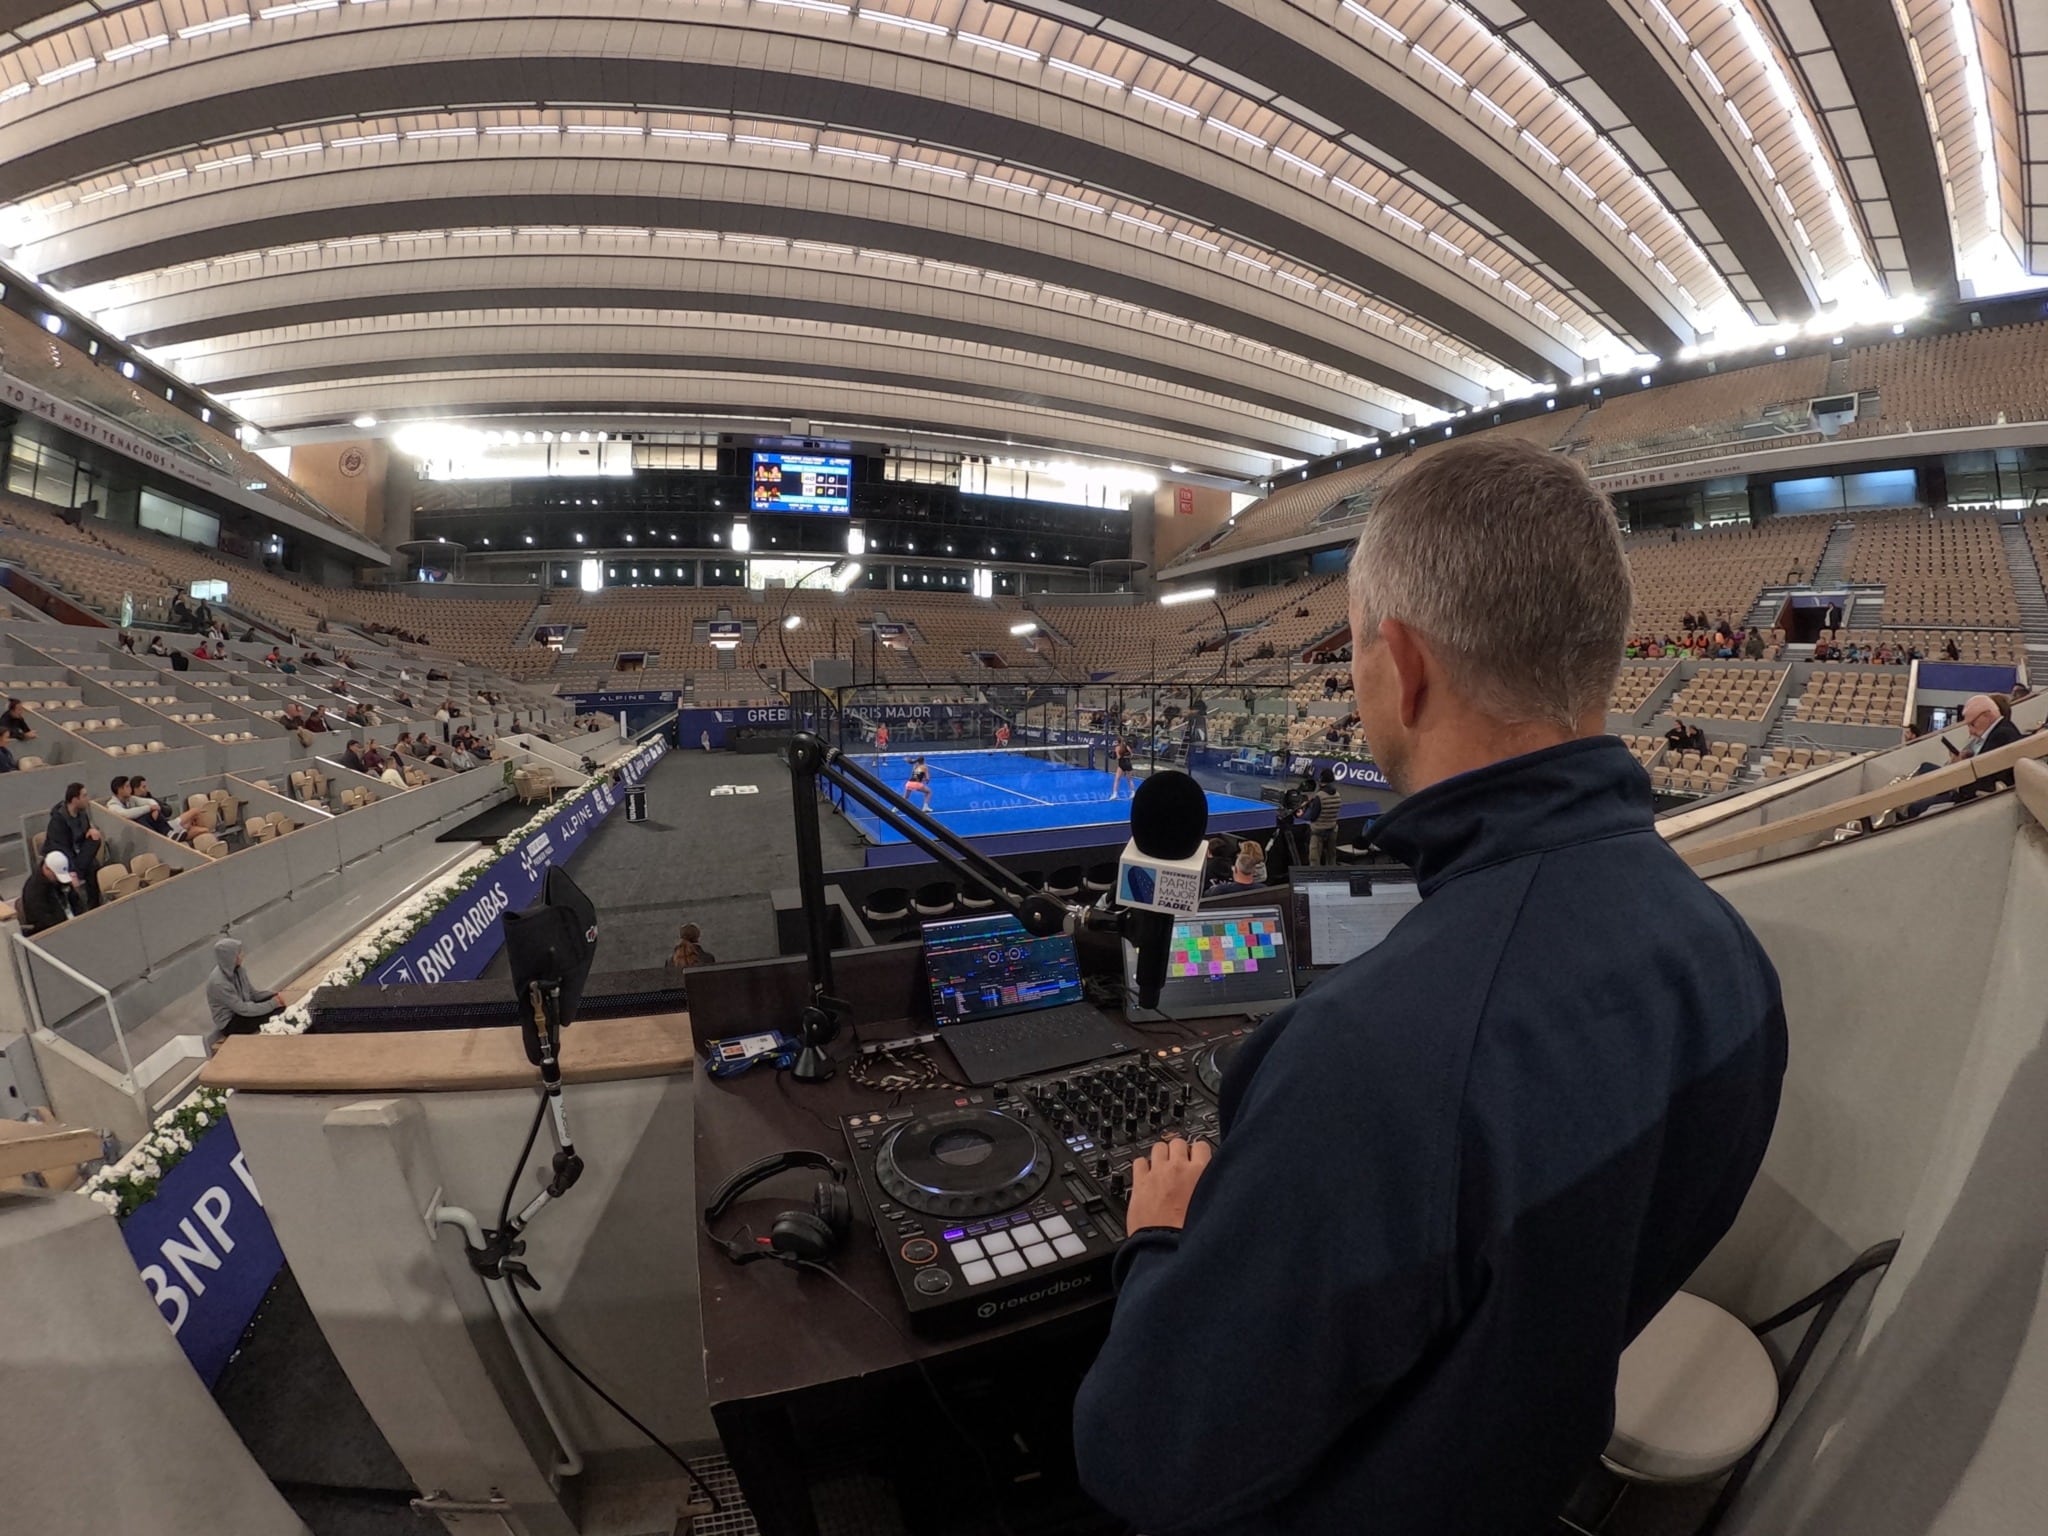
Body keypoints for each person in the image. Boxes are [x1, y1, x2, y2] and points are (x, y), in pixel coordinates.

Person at [1074, 438, 1786, 1536]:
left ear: (1397, 667)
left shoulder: (1368, 1057)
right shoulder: (1729, 960)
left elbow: (1146, 1454)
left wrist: (1161, 1240)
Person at [207, 937, 286, 1038]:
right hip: (231, 1022)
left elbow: (253, 994)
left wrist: (274, 995)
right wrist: (273, 1004)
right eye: (239, 953)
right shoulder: (219, 983)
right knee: (276, 1011)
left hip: (243, 1010)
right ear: (231, 956)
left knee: (278, 1005)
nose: (243, 954)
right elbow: (242, 1009)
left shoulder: (239, 970)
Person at [46, 783, 104, 909]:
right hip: (63, 857)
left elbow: (85, 831)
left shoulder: (82, 814)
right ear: (74, 800)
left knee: (95, 842)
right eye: (84, 796)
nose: (87, 799)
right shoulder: (58, 821)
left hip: (79, 854)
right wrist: (71, 870)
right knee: (91, 866)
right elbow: (61, 849)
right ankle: (78, 873)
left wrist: (91, 830)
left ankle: (94, 906)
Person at [20, 850, 82, 934]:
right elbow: (44, 921)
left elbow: (76, 901)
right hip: (52, 932)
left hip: (73, 925)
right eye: (56, 875)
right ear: (47, 869)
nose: (58, 879)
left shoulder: (59, 878)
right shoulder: (33, 890)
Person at [1305, 769, 1342, 865]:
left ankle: (1316, 878)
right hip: (1332, 830)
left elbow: (1313, 816)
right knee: (1331, 857)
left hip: (1318, 832)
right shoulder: (1337, 794)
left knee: (1314, 859)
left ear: (1321, 779)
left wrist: (1307, 809)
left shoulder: (1320, 796)